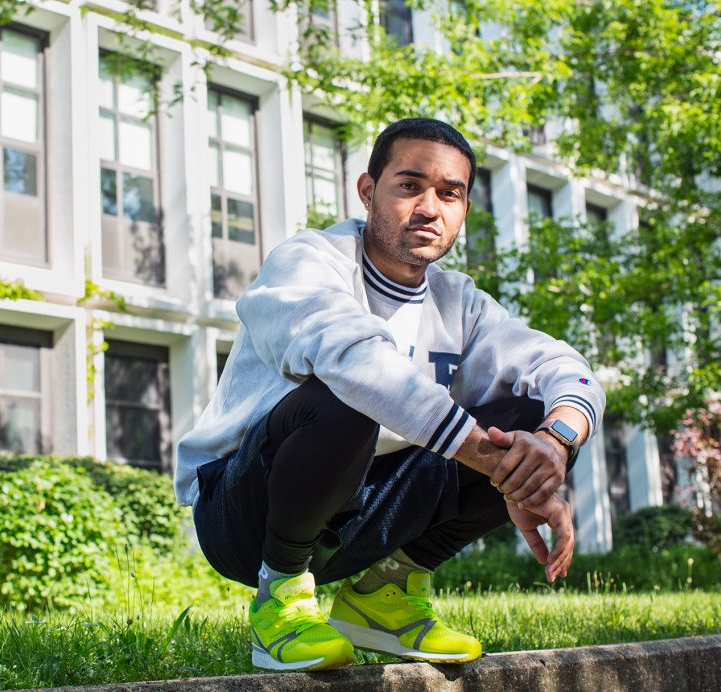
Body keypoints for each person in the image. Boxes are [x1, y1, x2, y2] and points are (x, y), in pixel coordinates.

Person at [175, 118, 605, 671]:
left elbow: (566, 368)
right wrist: (488, 460)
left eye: (451, 193)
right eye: (410, 185)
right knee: (350, 396)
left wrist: (553, 446)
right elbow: (354, 362)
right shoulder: (308, 260)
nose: (430, 207)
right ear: (367, 190)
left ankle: (386, 597)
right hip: (246, 513)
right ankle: (278, 597)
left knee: (531, 416)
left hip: (368, 511)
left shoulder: (462, 304)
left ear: (465, 209)